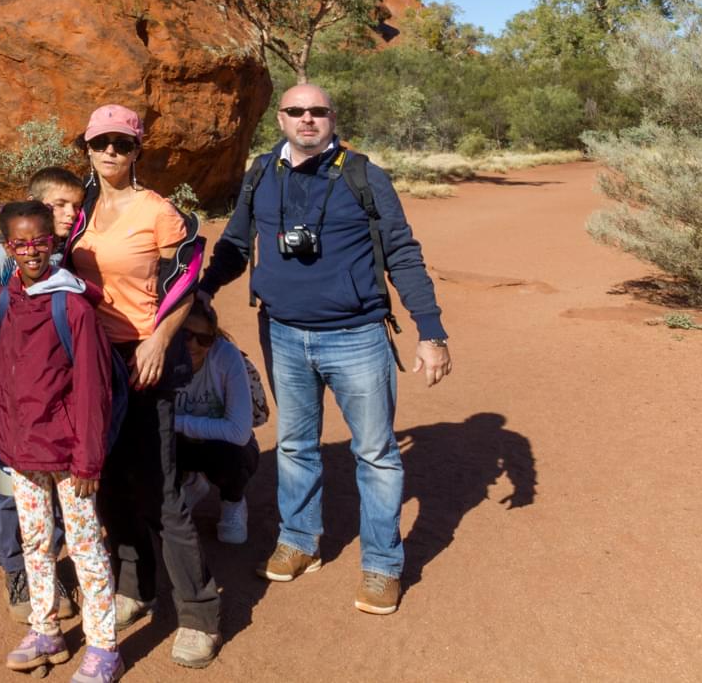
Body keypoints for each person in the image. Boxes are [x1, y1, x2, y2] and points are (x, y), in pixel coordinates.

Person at [198, 83, 452, 616]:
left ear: (332, 117)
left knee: (376, 454)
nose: (307, 119)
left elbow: (403, 253)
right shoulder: (262, 175)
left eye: (317, 111)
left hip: (358, 335)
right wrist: (199, 291)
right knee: (295, 445)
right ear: (281, 119)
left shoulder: (363, 176)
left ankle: (382, 565)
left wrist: (430, 332)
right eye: (296, 111)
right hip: (284, 334)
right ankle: (300, 540)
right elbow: (236, 246)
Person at [67, 104, 221, 669]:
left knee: (161, 489)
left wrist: (158, 339)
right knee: (106, 481)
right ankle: (135, 587)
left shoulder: (157, 212)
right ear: (86, 148)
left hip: (143, 356)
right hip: (91, 360)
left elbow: (186, 280)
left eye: (122, 143)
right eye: (100, 142)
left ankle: (200, 612)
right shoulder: (80, 211)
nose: (110, 152)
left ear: (137, 151)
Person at [0, 201, 121, 683]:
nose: (32, 251)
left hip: (69, 454)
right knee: (35, 541)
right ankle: (46, 628)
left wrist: (88, 461)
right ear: (6, 247)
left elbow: (93, 391)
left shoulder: (71, 305)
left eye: (41, 242)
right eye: (21, 243)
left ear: (53, 244)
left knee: (84, 547)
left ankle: (103, 647)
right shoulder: (3, 302)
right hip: (20, 450)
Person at [0, 165, 85, 620]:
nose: (69, 214)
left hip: (48, 398)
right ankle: (17, 571)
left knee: (49, 480)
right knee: (9, 486)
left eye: (75, 205)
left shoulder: (61, 252)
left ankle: (47, 566)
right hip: (8, 395)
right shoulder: (11, 254)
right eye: (58, 205)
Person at [172, 301, 261, 545]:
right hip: (179, 442)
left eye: (204, 339)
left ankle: (233, 501)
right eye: (186, 334)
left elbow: (239, 432)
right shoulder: (164, 353)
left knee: (235, 455)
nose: (193, 345)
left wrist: (177, 422)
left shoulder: (226, 357)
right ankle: (188, 483)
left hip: (222, 446)